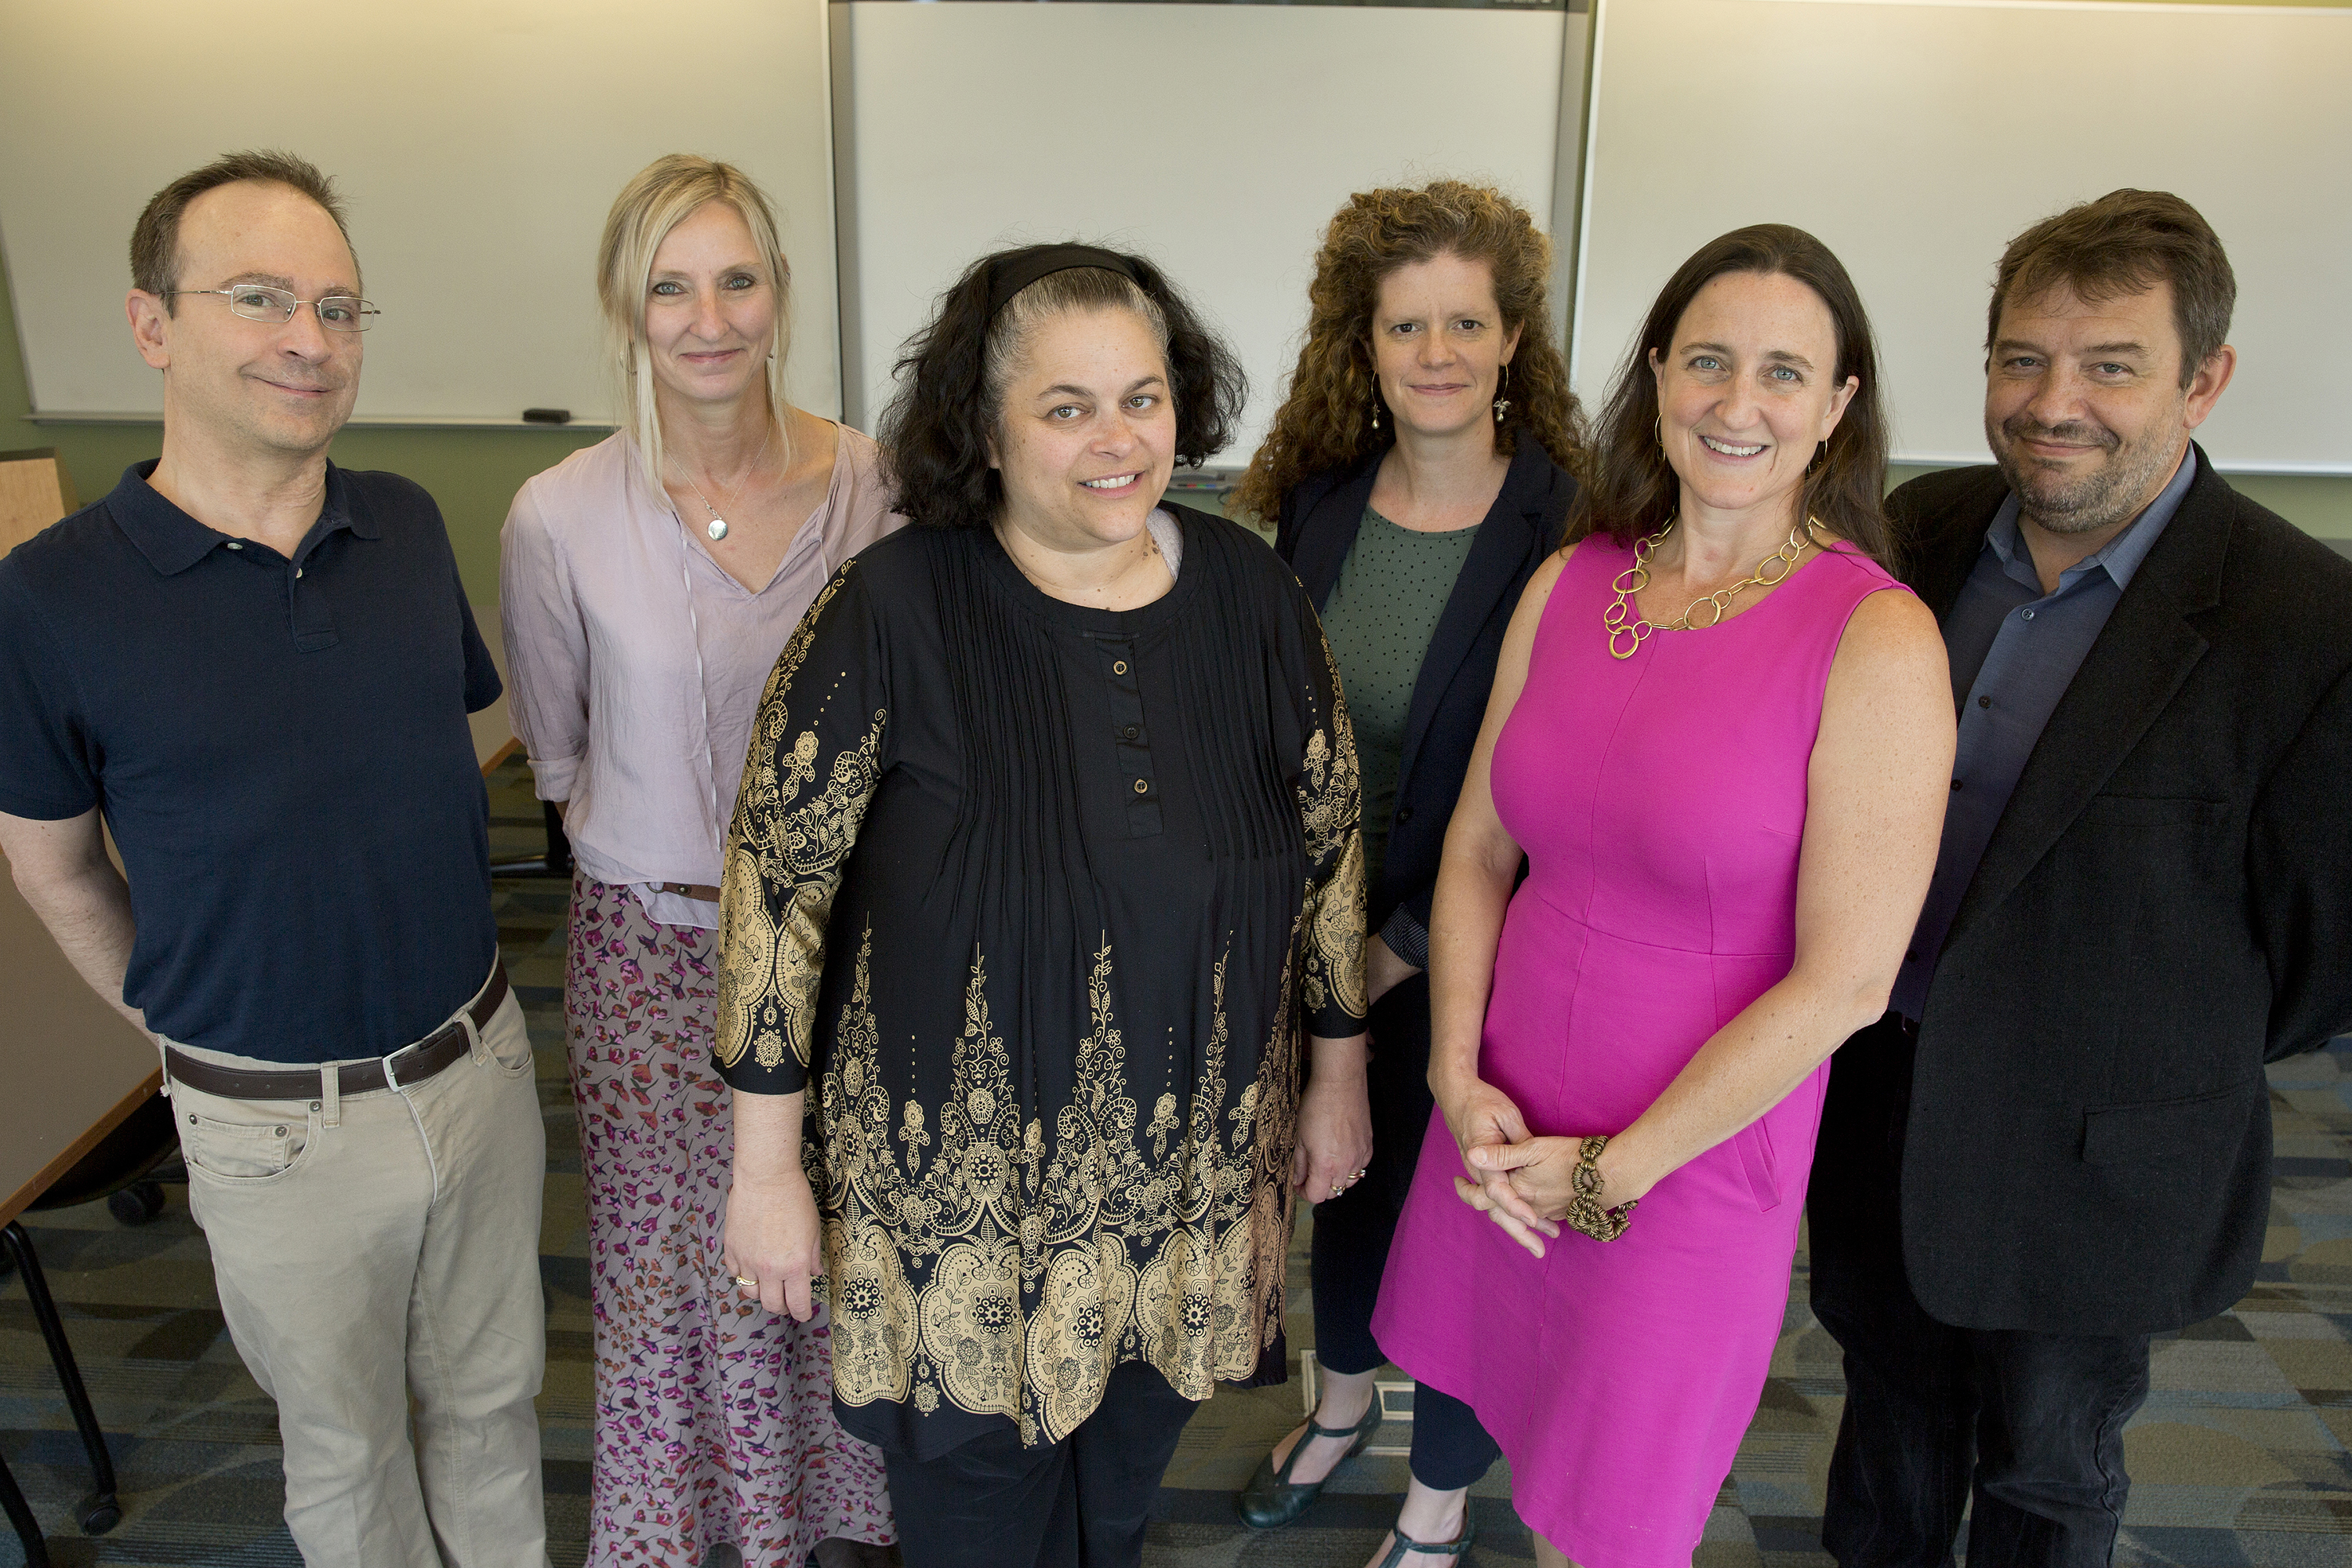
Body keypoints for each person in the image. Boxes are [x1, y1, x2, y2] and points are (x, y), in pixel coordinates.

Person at [712, 241, 1371, 1568]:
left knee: (1116, 1511)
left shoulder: (1251, 593)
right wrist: (765, 1171)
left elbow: (1332, 843)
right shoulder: (897, 604)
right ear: (987, 432)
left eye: (1141, 396)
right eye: (1065, 408)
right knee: (980, 1533)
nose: (1115, 440)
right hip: (957, 1212)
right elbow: (775, 896)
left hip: (1188, 1187)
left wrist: (1337, 1077)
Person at [1370, 225, 1955, 1568]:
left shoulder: (1875, 636)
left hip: (1680, 1166)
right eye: (1707, 361)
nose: (1737, 403)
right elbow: (1477, 849)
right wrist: (1456, 1078)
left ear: (1839, 407)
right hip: (1506, 1116)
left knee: (1612, 1523)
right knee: (1507, 1442)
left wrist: (1612, 1173)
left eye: (1783, 373)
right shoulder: (1574, 580)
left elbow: (1850, 983)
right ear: (1657, 373)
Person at [0, 151, 546, 1564]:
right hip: (274, 1129)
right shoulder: (48, 600)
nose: (310, 339)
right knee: (347, 1451)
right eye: (259, 297)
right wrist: (201, 1041)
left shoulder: (409, 523)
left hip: (480, 1072)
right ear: (152, 324)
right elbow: (56, 870)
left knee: (493, 1406)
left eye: (341, 307)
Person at [1808, 188, 2352, 1568]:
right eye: (2021, 360)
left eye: (2112, 365)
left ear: (2204, 382)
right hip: (1881, 1105)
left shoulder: (2307, 621)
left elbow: (2320, 954)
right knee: (1885, 1431)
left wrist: (2143, 1037)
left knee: (2049, 1473)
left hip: (2099, 1156)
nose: (2056, 402)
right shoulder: (1909, 539)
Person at [500, 155, 899, 1567]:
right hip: (652, 953)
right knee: (680, 1276)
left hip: (855, 949)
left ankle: (843, 1521)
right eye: (672, 285)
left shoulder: (873, 483)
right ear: (628, 311)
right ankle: (696, 1534)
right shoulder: (559, 514)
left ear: (779, 295)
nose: (708, 316)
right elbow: (557, 756)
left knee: (835, 1246)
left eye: (736, 278)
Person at [1229, 180, 1583, 1557]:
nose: (1435, 352)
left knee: (1457, 1224)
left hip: (1474, 951)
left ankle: (1434, 1509)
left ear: (1512, 343)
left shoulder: (1571, 520)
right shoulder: (1317, 505)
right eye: (1404, 325)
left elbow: (1545, 778)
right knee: (1342, 1179)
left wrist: (1398, 947)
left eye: (1466, 323)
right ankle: (1338, 1408)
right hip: (1314, 935)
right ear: (1362, 347)